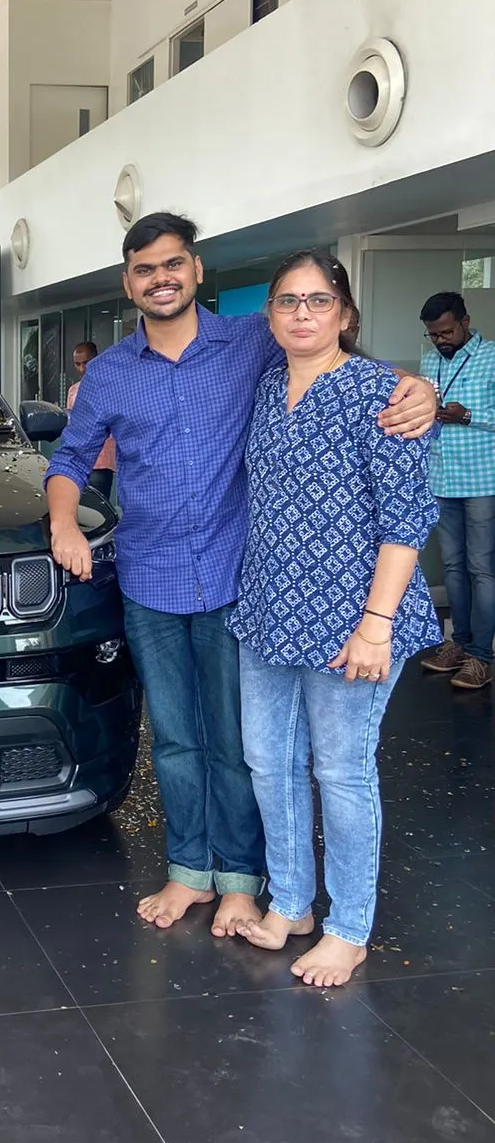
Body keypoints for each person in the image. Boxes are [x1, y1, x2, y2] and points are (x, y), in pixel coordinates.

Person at [46, 212, 436, 937]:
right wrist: (64, 524)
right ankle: (191, 871)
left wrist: (420, 391)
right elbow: (70, 457)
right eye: (144, 269)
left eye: (173, 263)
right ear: (128, 284)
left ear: (196, 270)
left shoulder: (251, 340)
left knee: (240, 745)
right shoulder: (110, 373)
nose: (161, 278)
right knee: (177, 740)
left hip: (237, 581)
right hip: (157, 578)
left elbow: (341, 360)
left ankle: (242, 881)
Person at [231, 253, 440, 987]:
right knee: (269, 761)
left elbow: (407, 519)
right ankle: (291, 904)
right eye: (288, 301)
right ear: (270, 315)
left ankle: (349, 928)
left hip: (354, 616)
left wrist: (377, 623)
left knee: (342, 771)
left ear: (345, 314)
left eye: (318, 301)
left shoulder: (383, 393)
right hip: (268, 609)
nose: (302, 313)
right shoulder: (266, 389)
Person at [416, 291, 495, 691]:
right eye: (433, 335)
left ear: (465, 322)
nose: (440, 340)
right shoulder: (430, 362)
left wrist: (469, 416)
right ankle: (458, 644)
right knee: (452, 566)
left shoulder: (492, 357)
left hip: (483, 478)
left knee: (481, 568)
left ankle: (482, 656)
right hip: (441, 476)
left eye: (446, 332)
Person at [66, 342, 116, 498]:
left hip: (100, 462)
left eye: (86, 363)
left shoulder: (110, 387)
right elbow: (71, 424)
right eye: (77, 364)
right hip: (77, 462)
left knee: (97, 507)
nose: (82, 368)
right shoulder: (73, 390)